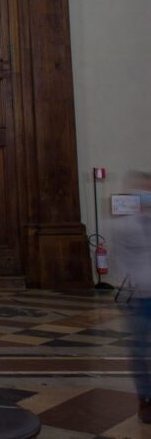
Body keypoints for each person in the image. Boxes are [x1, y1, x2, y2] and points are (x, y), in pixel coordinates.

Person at [115, 170, 151, 423]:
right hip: (140, 297)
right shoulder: (126, 225)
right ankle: (146, 398)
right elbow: (121, 260)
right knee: (138, 350)